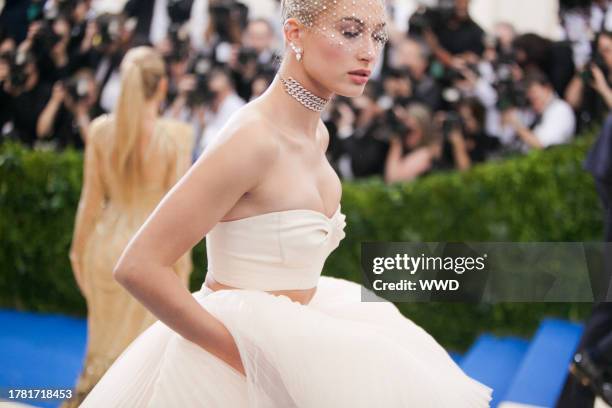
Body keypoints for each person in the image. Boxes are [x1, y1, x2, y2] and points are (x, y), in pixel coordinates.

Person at [79, 1, 493, 406]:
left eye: (377, 35)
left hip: (306, 334)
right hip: (226, 368)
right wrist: (253, 362)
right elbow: (139, 266)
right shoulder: (253, 138)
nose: (369, 51)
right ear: (294, 33)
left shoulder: (319, 136)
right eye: (350, 32)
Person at [65, 47, 194, 407]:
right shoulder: (178, 136)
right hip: (154, 255)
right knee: (146, 362)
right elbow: (179, 211)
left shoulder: (100, 130)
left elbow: (89, 203)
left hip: (105, 249)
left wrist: (77, 252)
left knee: (101, 356)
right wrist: (183, 264)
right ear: (163, 86)